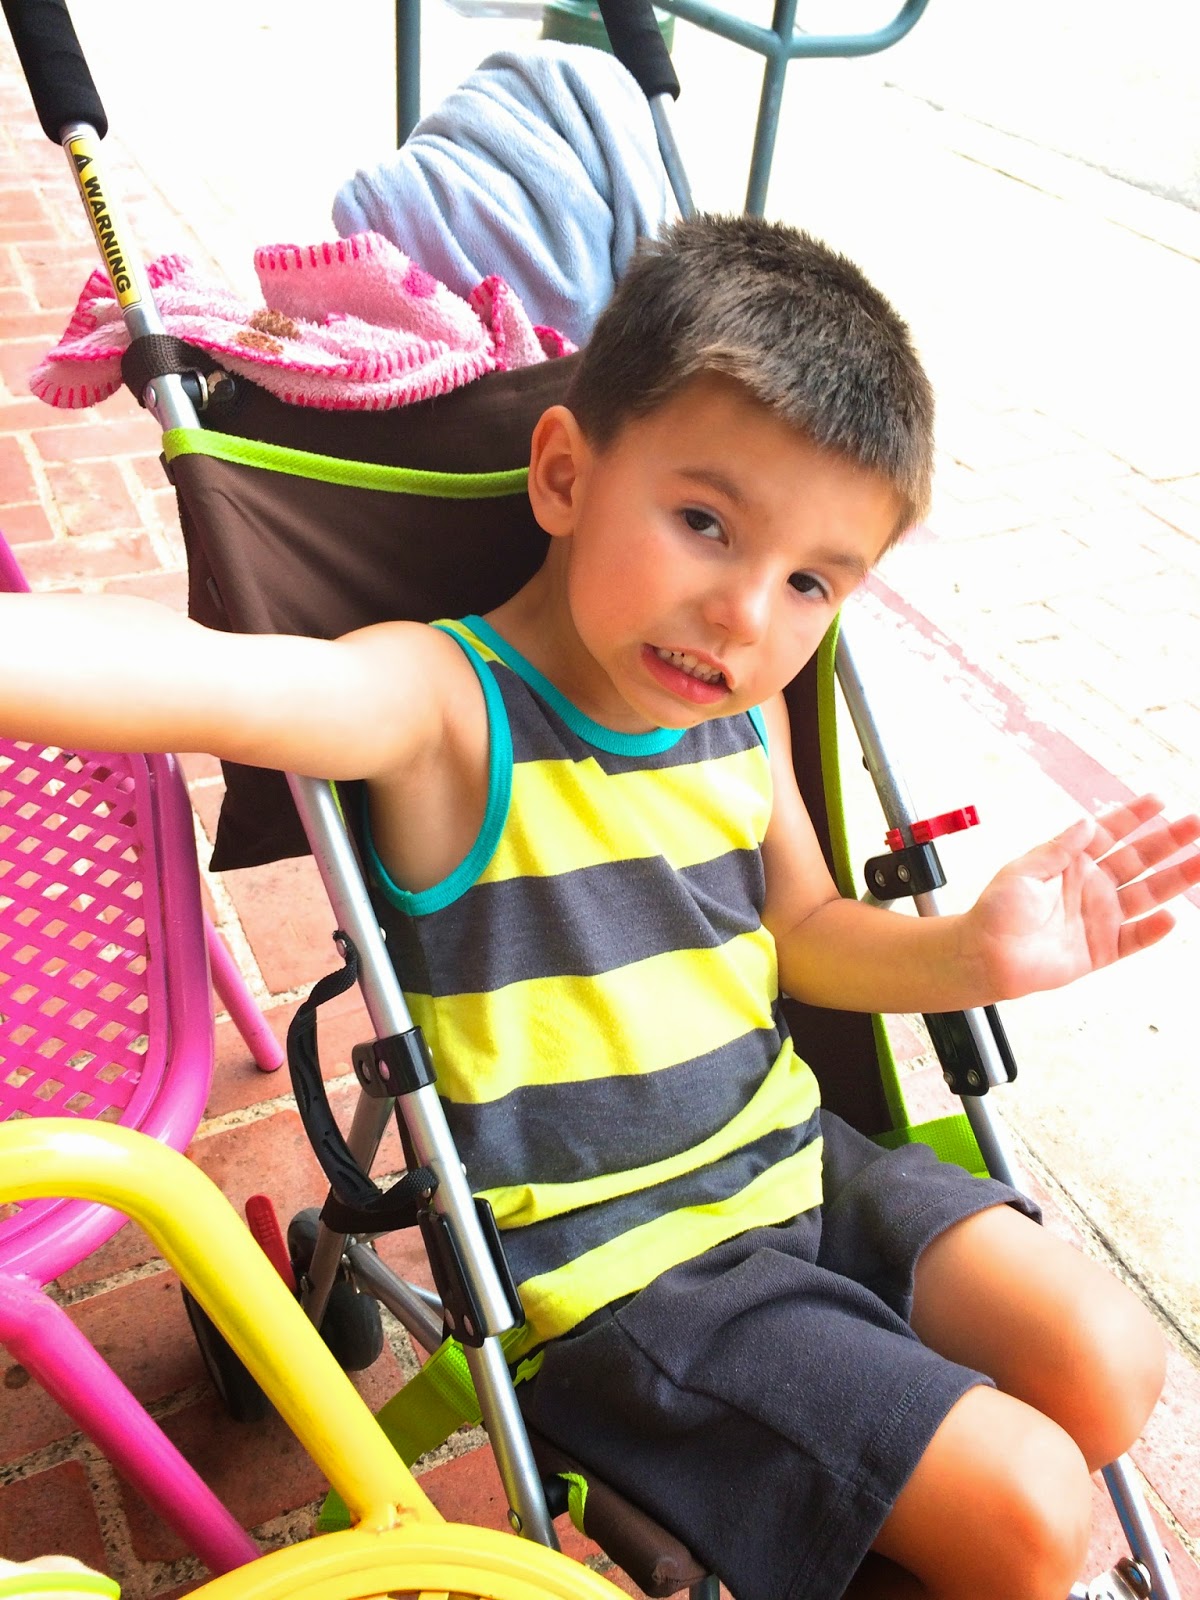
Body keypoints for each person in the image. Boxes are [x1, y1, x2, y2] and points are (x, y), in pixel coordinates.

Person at [2, 215, 1198, 1600]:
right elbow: (199, 676)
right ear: (565, 473)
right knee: (1035, 1513)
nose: (745, 615)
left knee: (1114, 1363)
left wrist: (971, 952)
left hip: (800, 1163)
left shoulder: (738, 724)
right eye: (705, 525)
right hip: (628, 1275)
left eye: (811, 581)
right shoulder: (445, 709)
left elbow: (807, 935)